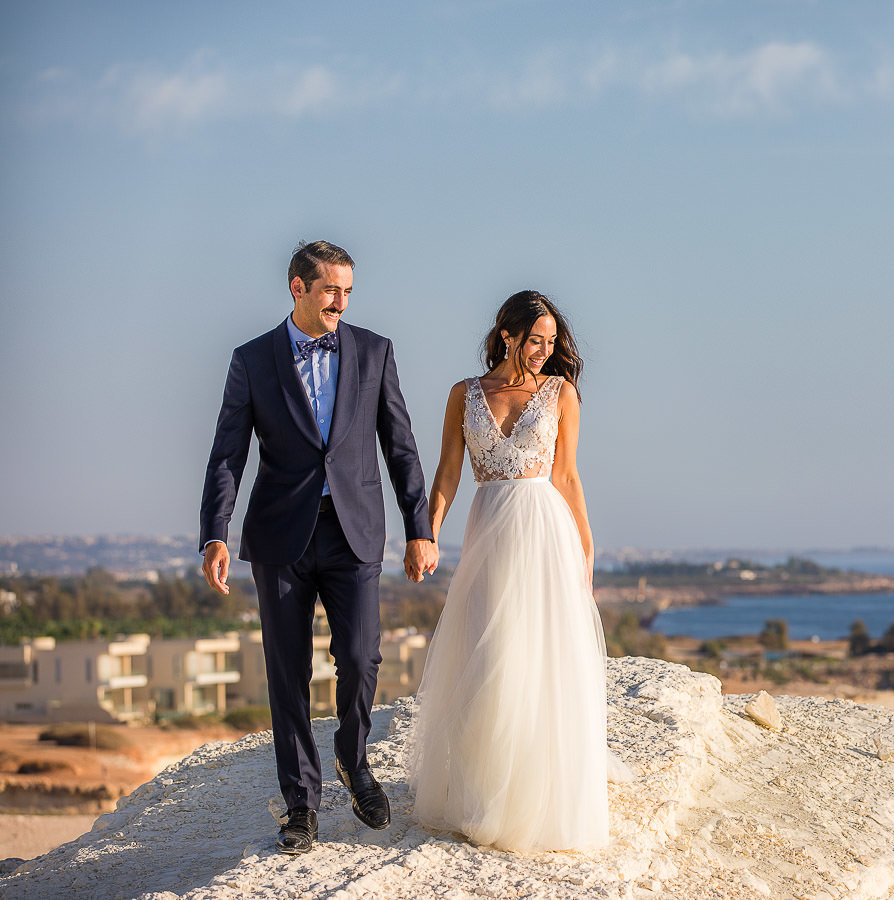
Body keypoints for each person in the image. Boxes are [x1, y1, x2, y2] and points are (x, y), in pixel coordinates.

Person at [199, 240, 439, 854]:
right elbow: (228, 454)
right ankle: (301, 803)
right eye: (331, 289)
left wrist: (420, 527)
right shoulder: (252, 360)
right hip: (281, 536)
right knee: (288, 670)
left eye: (348, 292)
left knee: (360, 656)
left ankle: (353, 763)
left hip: (354, 530)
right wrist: (215, 533)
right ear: (297, 288)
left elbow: (401, 445)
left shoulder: (374, 351)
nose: (341, 302)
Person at [407, 290, 611, 853]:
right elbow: (447, 473)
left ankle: (537, 803)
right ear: (506, 334)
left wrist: (586, 550)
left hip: (545, 533)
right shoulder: (463, 395)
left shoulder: (561, 393)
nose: (544, 352)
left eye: (551, 342)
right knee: (487, 657)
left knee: (537, 661)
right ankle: (481, 797)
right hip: (488, 532)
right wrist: (425, 534)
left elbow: (568, 477)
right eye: (535, 340)